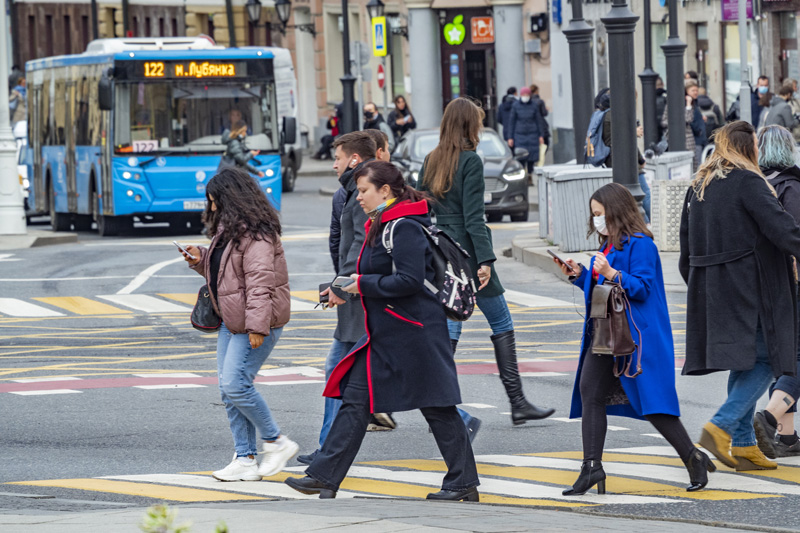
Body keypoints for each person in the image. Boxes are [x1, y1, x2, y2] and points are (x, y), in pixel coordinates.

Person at [285, 161, 480, 501]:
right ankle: (324, 476)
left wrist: (361, 285)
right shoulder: (385, 221)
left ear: (385, 190)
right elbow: (375, 274)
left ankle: (463, 484)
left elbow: (408, 280)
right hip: (390, 332)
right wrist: (344, 287)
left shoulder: (402, 225)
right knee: (356, 400)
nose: (358, 197)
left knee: (438, 407)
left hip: (413, 333)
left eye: (364, 191)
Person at [554, 183, 713, 495]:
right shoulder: (609, 246)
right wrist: (579, 275)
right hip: (606, 334)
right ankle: (591, 466)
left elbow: (642, 288)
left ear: (615, 212)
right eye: (593, 215)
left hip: (634, 337)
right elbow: (602, 291)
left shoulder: (642, 245)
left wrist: (611, 272)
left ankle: (692, 457)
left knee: (652, 404)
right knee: (590, 392)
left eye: (599, 214)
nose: (596, 220)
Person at [418, 97, 554, 426]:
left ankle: (437, 396)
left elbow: (423, 208)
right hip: (468, 251)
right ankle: (516, 402)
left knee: (451, 324)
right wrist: (486, 260)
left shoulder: (431, 160)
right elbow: (474, 218)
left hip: (442, 253)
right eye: (477, 121)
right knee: (501, 323)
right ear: (469, 125)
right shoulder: (471, 161)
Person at [679, 120, 800, 472]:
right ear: (749, 149)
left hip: (710, 285)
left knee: (743, 361)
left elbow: (685, 245)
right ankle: (721, 425)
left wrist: (700, 284)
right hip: (753, 285)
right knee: (767, 359)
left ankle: (745, 446)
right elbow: (782, 229)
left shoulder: (699, 183)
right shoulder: (749, 182)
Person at [180, 167, 298, 482]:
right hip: (233, 321)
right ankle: (244, 457)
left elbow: (261, 284)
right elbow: (227, 276)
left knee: (235, 384)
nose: (212, 207)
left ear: (230, 198)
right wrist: (201, 259)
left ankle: (276, 441)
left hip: (254, 322)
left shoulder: (257, 234)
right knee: (228, 388)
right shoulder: (230, 231)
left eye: (214, 200)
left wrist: (257, 327)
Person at [297, 132, 394, 467]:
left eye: (337, 157)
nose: (333, 163)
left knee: (401, 374)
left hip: (362, 298)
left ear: (354, 159)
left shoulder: (361, 194)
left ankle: (329, 451)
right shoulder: (353, 191)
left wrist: (341, 285)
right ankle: (327, 449)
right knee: (340, 370)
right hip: (355, 296)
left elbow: (359, 246)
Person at [753, 125, 800, 458]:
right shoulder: (791, 187)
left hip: (766, 284)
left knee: (787, 355)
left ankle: (786, 437)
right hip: (793, 283)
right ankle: (770, 417)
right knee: (796, 359)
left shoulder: (758, 186)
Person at [600, 91, 650, 222]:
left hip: (615, 160)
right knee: (644, 194)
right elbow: (625, 138)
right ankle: (651, 223)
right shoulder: (618, 114)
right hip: (627, 161)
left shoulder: (606, 114)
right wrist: (640, 159)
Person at [661, 79, 705, 169]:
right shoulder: (674, 104)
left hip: (689, 140)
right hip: (674, 139)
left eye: (697, 90)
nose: (696, 93)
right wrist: (674, 123)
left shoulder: (694, 104)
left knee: (692, 165)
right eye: (693, 90)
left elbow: (688, 119)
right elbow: (664, 121)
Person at [507, 86, 548, 174]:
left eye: (527, 94)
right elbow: (511, 122)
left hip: (533, 135)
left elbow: (539, 121)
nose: (525, 96)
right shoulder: (515, 105)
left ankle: (529, 174)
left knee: (532, 157)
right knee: (521, 156)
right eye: (523, 94)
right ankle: (523, 174)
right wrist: (510, 137)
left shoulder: (534, 105)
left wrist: (541, 135)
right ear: (521, 95)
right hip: (519, 135)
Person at [530, 84, 550, 166]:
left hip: (532, 126)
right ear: (537, 91)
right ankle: (540, 161)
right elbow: (544, 113)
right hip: (542, 125)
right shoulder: (540, 101)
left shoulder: (529, 102)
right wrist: (546, 110)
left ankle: (534, 160)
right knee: (545, 144)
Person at [655, 77, 668, 141]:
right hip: (666, 127)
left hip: (655, 129)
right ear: (662, 84)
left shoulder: (649, 97)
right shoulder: (667, 96)